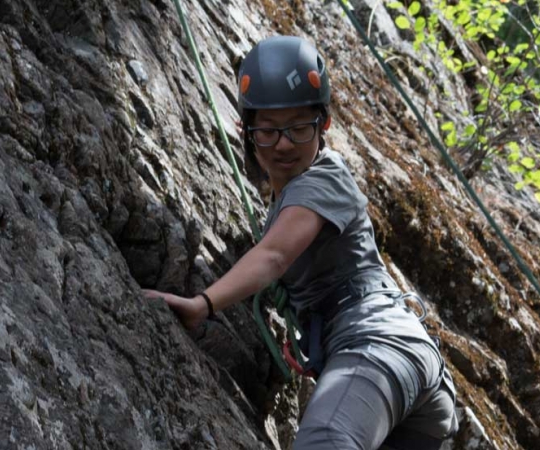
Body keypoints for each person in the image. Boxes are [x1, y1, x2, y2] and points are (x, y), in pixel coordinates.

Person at [143, 35, 458, 450]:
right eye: (269, 131)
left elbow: (274, 256)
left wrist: (203, 305)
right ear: (246, 130)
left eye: (298, 127)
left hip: (377, 346)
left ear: (324, 124)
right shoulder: (286, 198)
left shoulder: (325, 179)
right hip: (399, 375)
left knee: (325, 441)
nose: (285, 144)